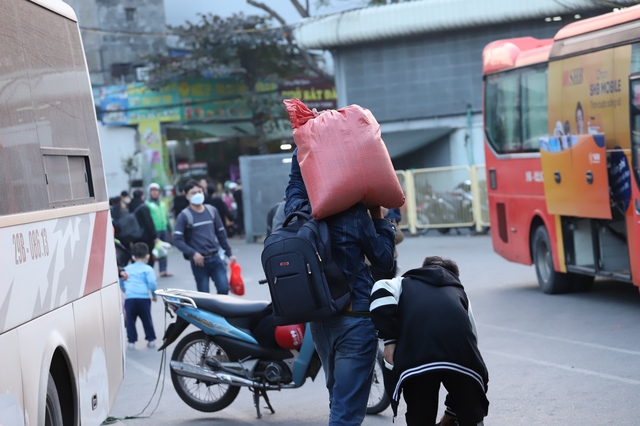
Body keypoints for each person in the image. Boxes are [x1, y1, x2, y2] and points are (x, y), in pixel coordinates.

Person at [285, 148, 396, 426]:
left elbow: (294, 187)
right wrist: (379, 217)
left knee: (338, 400)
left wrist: (302, 150)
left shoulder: (301, 212)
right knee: (345, 413)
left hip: (320, 322)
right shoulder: (355, 215)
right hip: (355, 320)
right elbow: (383, 262)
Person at [369, 256, 489, 426]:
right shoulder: (459, 293)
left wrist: (390, 340)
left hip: (417, 359)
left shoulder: (400, 283)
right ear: (454, 277)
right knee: (470, 411)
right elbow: (472, 340)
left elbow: (379, 289)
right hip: (460, 359)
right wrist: (452, 412)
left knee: (421, 416)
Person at [173, 180, 236, 294]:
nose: (197, 194)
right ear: (187, 196)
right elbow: (177, 239)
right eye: (193, 193)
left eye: (199, 191)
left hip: (216, 257)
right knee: (204, 294)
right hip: (199, 261)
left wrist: (229, 253)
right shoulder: (184, 216)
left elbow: (221, 233)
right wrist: (193, 253)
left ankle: (220, 311)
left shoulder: (212, 211)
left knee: (224, 289)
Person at [120, 242, 158, 350]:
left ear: (132, 256)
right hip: (144, 298)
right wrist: (154, 294)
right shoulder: (148, 269)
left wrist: (124, 289)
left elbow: (121, 280)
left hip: (130, 298)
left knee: (131, 320)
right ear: (148, 256)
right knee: (146, 318)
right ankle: (151, 340)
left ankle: (131, 341)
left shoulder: (126, 269)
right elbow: (152, 283)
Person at [146, 182, 173, 277]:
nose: (154, 193)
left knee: (164, 250)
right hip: (154, 231)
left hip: (164, 229)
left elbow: (166, 217)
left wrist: (171, 230)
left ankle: (163, 270)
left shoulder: (162, 204)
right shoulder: (147, 204)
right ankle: (150, 271)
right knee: (153, 251)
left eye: (156, 191)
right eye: (152, 191)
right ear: (149, 192)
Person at [128, 189, 158, 267]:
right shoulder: (143, 207)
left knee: (136, 253)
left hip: (133, 236)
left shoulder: (129, 206)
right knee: (147, 254)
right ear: (142, 196)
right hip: (145, 236)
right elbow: (148, 222)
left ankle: (136, 270)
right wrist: (154, 235)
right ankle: (148, 269)